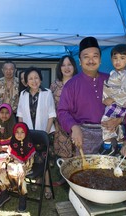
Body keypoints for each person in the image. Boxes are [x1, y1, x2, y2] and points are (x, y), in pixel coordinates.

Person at [58, 36, 121, 155]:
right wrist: (74, 127)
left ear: (100, 59)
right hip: (83, 136)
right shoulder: (71, 85)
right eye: (86, 57)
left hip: (109, 133)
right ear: (80, 61)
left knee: (110, 171)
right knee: (85, 171)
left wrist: (119, 119)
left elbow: (125, 104)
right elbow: (62, 111)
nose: (91, 61)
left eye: (95, 56)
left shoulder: (112, 81)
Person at [17, 66, 56, 200]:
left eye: (36, 78)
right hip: (29, 134)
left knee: (43, 160)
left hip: (45, 133)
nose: (34, 81)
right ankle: (37, 181)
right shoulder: (23, 94)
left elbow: (51, 115)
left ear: (40, 79)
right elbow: (20, 115)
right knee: (32, 158)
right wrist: (21, 132)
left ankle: (46, 186)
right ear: (26, 82)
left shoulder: (47, 93)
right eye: (30, 79)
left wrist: (44, 134)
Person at [99, 44, 126, 155]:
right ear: (111, 59)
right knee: (117, 124)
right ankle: (119, 144)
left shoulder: (125, 75)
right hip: (115, 103)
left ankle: (108, 146)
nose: (118, 61)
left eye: (122, 58)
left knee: (106, 121)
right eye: (115, 58)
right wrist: (105, 99)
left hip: (119, 103)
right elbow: (108, 89)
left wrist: (113, 100)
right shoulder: (114, 73)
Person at [0, 122, 36, 212]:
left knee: (20, 175)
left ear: (26, 133)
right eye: (17, 132)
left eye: (22, 132)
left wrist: (22, 166)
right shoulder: (13, 143)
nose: (19, 135)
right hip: (13, 164)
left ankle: (22, 195)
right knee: (3, 171)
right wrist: (5, 165)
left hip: (25, 166)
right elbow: (9, 158)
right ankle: (4, 193)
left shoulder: (29, 144)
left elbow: (30, 161)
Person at [50, 55, 78, 186]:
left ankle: (77, 178)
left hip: (78, 124)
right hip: (60, 125)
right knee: (64, 153)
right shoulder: (55, 85)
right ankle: (65, 178)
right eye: (63, 65)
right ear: (59, 68)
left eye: (69, 64)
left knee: (77, 151)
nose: (66, 68)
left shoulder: (79, 82)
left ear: (74, 66)